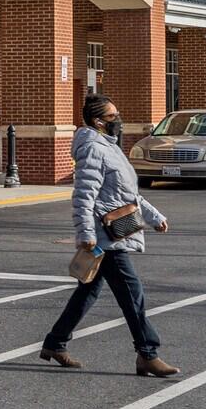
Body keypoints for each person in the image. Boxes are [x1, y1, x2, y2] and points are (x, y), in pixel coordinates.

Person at [42, 93, 178, 378]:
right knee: (132, 293)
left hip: (117, 229)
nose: (119, 120)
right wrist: (86, 233)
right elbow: (83, 195)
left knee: (88, 291)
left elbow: (129, 194)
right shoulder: (93, 148)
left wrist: (155, 217)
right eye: (113, 116)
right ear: (98, 122)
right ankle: (147, 353)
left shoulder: (110, 147)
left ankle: (55, 343)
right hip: (105, 235)